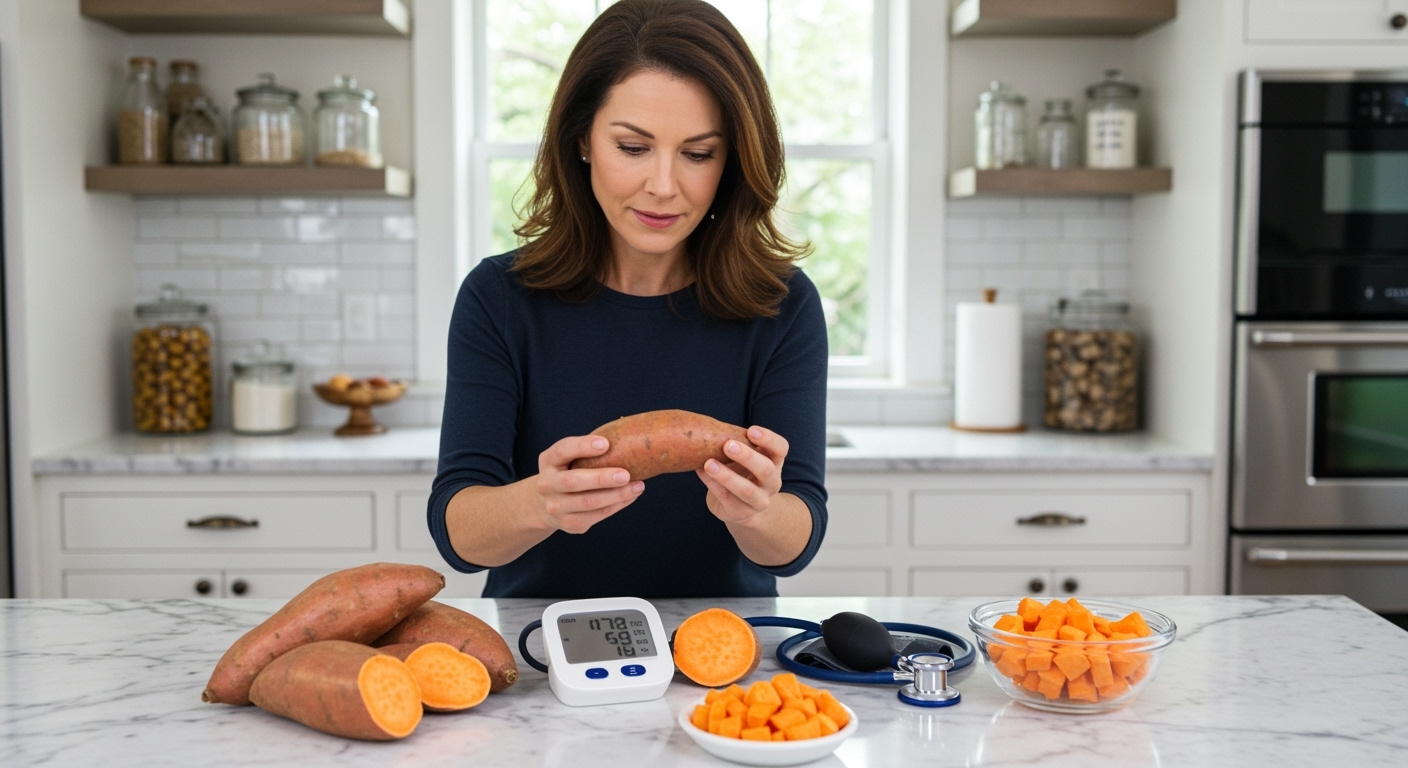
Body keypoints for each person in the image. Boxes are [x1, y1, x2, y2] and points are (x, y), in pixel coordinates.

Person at [428, 0, 828, 598]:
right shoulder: (499, 297)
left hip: (719, 652)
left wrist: (755, 512)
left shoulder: (782, 302)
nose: (663, 186)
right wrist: (542, 504)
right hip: (537, 651)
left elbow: (797, 541)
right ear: (583, 139)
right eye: (633, 147)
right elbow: (457, 534)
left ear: (732, 160)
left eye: (698, 154)